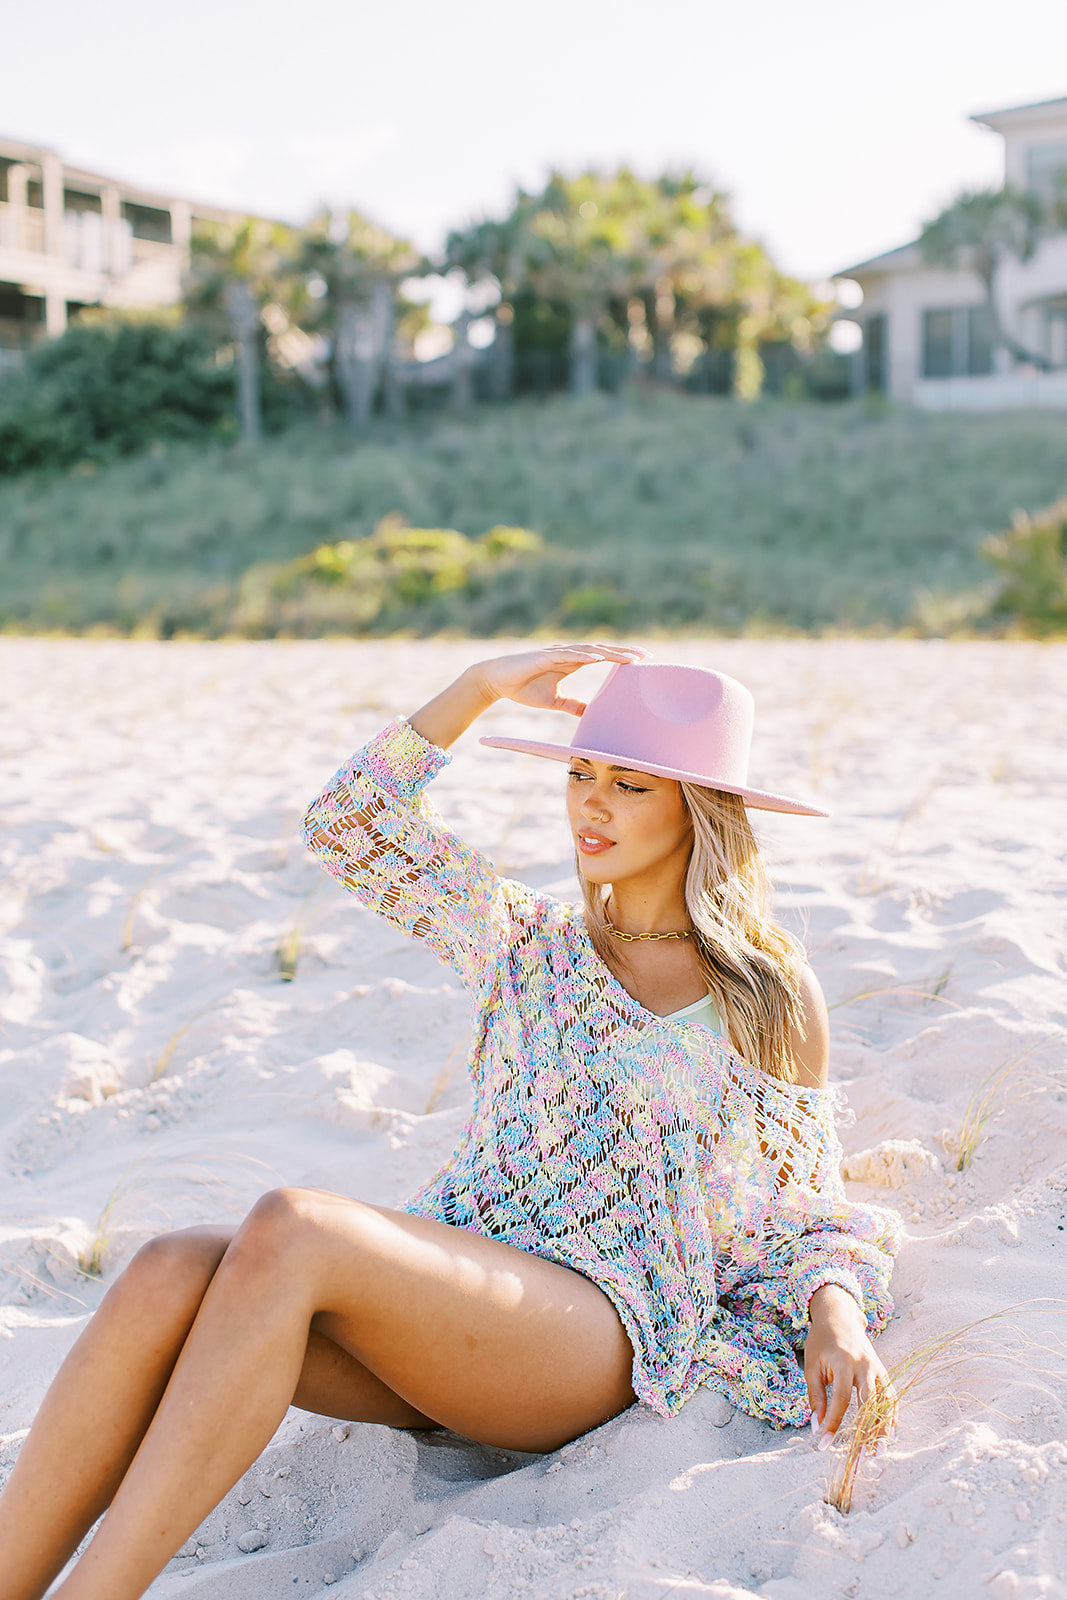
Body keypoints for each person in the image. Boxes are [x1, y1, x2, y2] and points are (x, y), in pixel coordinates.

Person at [0, 644, 899, 1600]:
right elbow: (351, 825)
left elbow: (805, 1199)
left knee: (294, 1224)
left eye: (629, 785)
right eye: (580, 774)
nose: (589, 803)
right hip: (449, 1306)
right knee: (166, 1268)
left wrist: (833, 1313)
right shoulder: (525, 943)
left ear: (699, 808)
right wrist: (477, 689)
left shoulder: (761, 989)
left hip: (603, 1324)